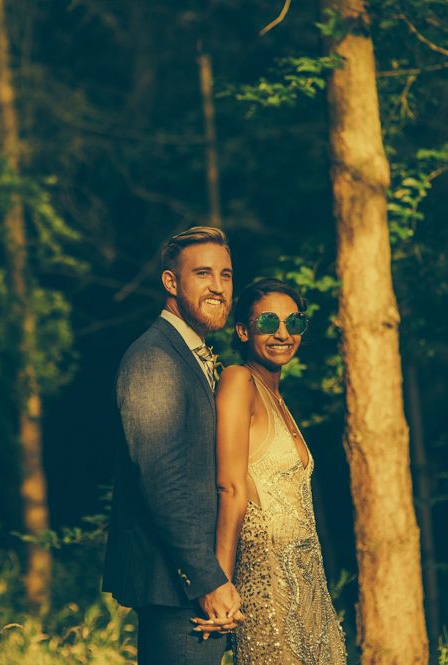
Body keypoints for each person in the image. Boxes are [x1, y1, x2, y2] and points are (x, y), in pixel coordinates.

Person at [103, 226, 244, 665]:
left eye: (225, 275)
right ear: (171, 282)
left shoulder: (193, 354)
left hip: (195, 584)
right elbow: (163, 481)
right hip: (178, 589)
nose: (218, 287)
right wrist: (207, 580)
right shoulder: (153, 359)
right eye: (203, 274)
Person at [213, 278, 347, 664]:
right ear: (242, 330)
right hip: (266, 581)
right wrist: (219, 582)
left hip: (309, 582)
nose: (283, 334)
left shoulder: (279, 398)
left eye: (295, 323)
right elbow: (230, 487)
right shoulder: (239, 380)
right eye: (269, 322)